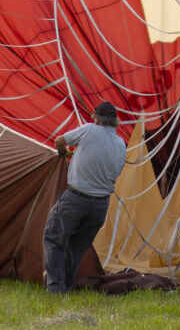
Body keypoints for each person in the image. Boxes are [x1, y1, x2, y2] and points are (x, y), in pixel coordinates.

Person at [42, 100, 127, 294]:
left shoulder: (89, 129)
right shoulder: (121, 143)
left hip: (76, 199)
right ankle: (67, 286)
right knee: (76, 248)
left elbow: (59, 141)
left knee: (53, 238)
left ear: (97, 119)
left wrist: (64, 153)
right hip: (100, 207)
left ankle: (55, 290)